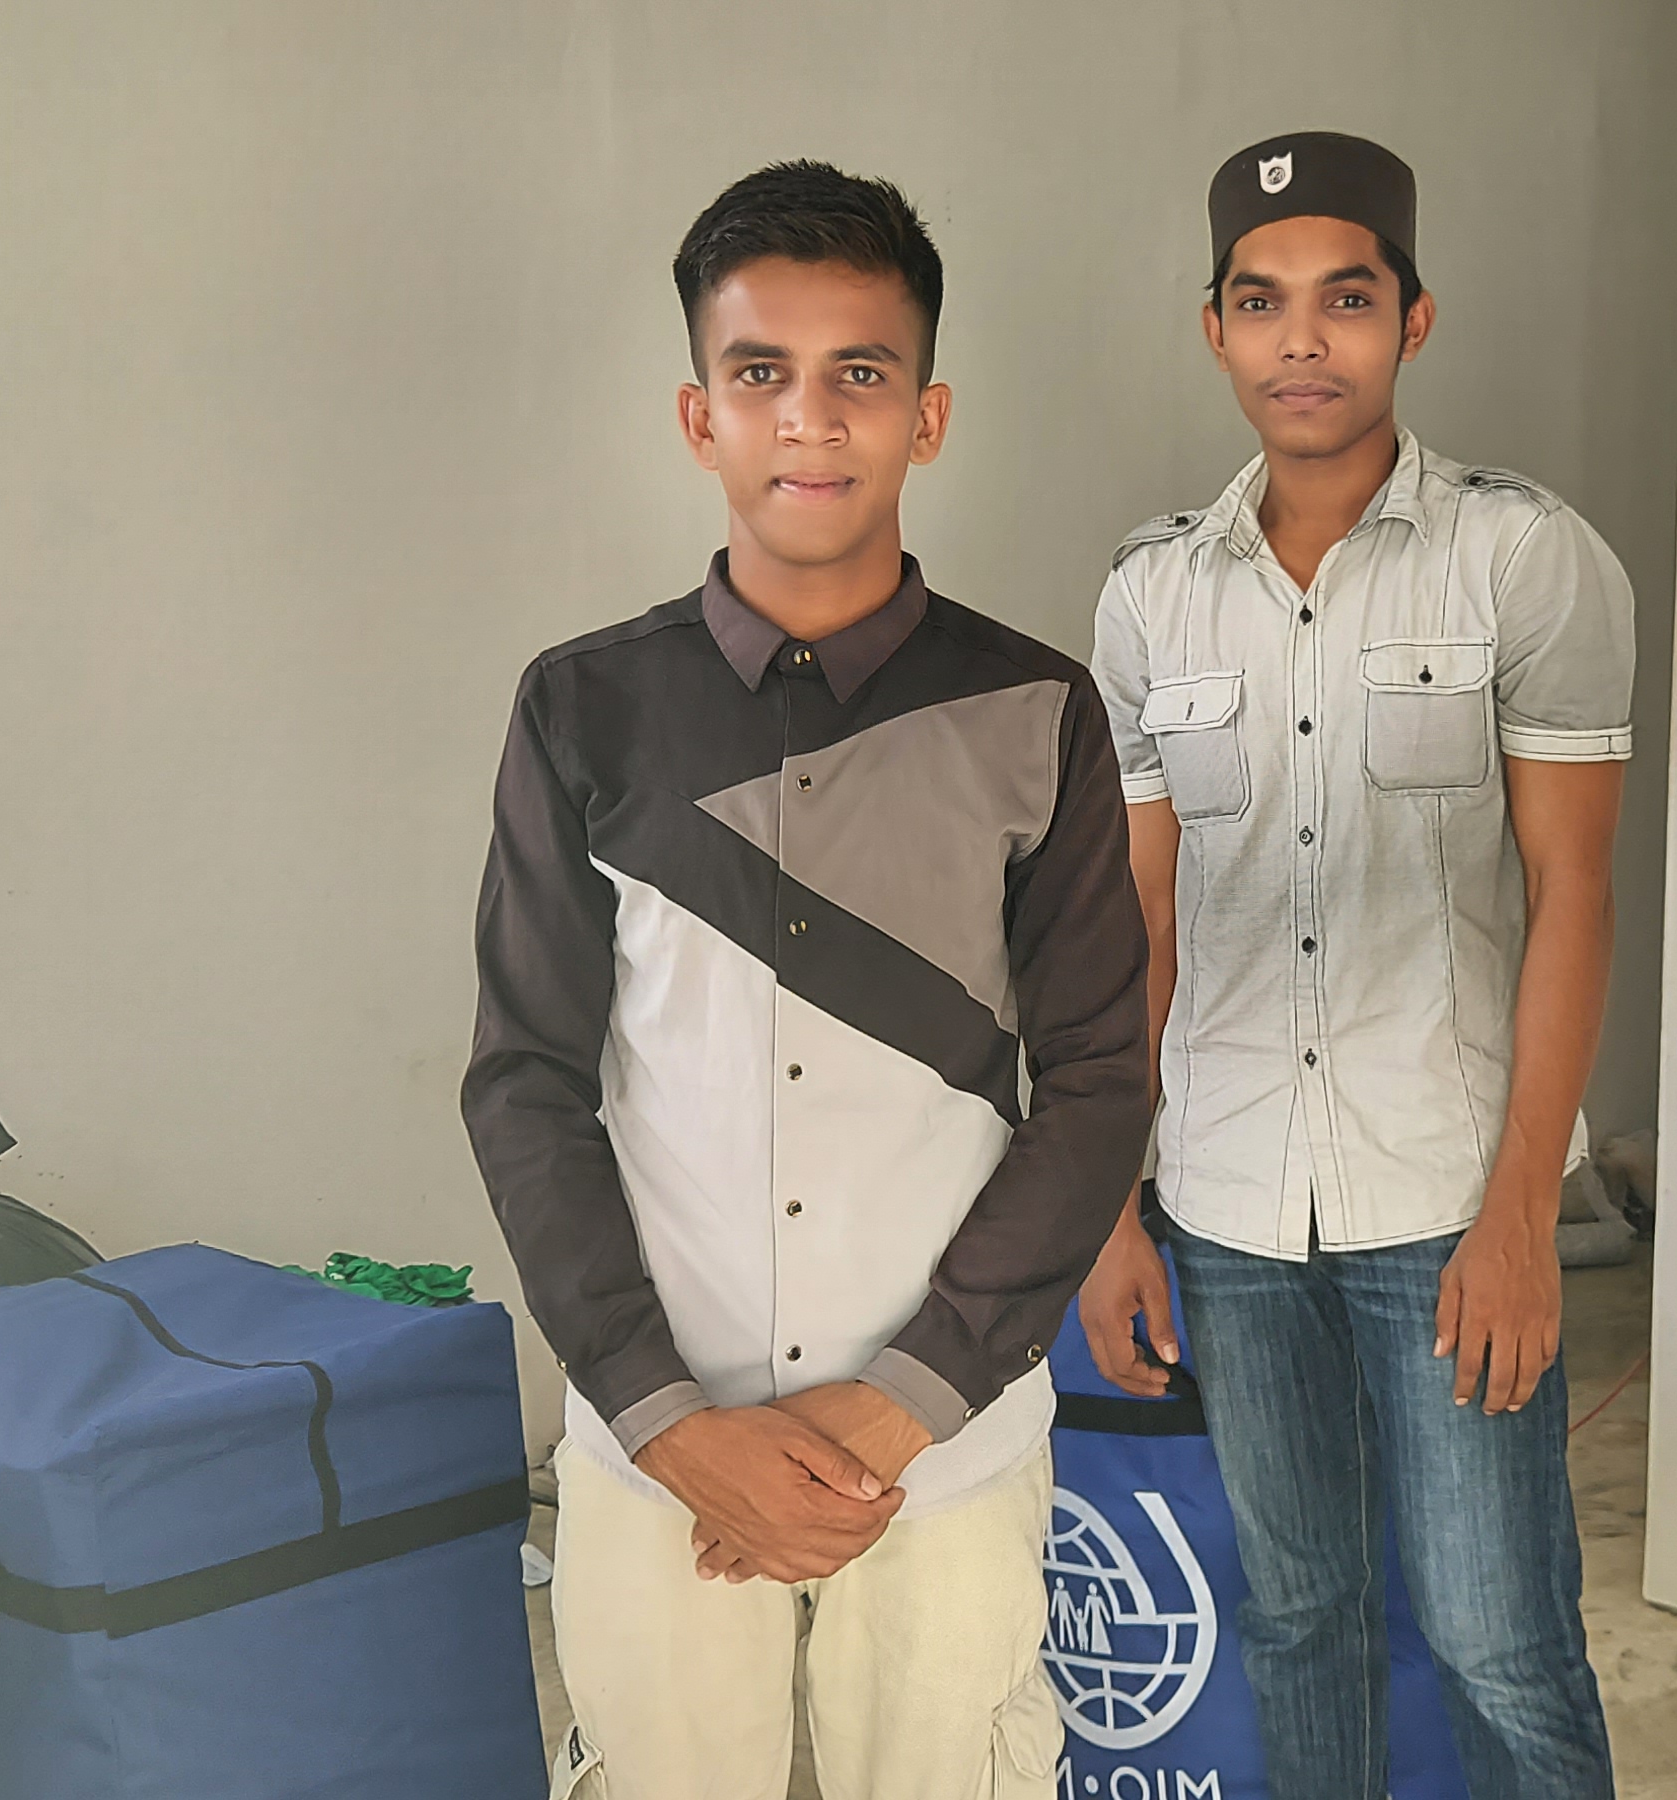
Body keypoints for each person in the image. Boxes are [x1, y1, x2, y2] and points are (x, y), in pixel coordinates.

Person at [464, 159, 1147, 1799]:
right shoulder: (584, 712)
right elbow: (526, 1086)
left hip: (950, 1452)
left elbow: (1103, 1086)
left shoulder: (1039, 714)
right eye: (762, 374)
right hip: (657, 1457)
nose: (810, 420)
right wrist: (668, 1419)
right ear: (700, 417)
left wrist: (907, 1405)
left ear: (930, 414)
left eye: (862, 375)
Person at [1078, 130, 1633, 1798]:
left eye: (1345, 298)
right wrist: (1114, 1210)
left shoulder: (1522, 559)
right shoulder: (1150, 594)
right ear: (1215, 329)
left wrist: (1526, 1212)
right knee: (1300, 1613)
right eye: (1263, 304)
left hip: (1444, 1196)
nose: (1301, 339)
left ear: (1413, 318)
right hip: (1231, 1207)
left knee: (1497, 1638)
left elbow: (1575, 892)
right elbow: (1140, 931)